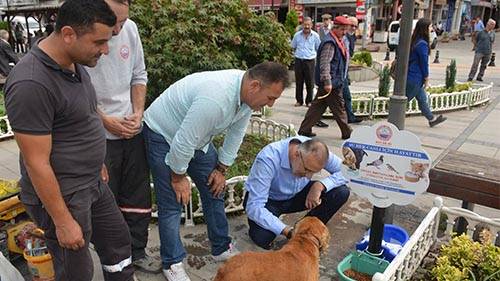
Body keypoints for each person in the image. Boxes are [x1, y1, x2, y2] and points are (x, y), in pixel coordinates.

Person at [4, 1, 135, 280]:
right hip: (64, 194)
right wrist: (62, 221)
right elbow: (36, 162)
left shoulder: (74, 63)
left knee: (117, 242)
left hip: (91, 183)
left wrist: (96, 160)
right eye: (99, 42)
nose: (106, 49)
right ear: (67, 34)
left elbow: (84, 115)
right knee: (76, 270)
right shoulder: (31, 83)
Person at [142, 62, 289, 281]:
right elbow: (183, 141)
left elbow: (236, 134)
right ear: (255, 86)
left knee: (215, 188)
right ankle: (171, 262)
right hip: (163, 133)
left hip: (196, 138)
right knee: (172, 202)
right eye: (271, 98)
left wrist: (221, 169)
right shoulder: (216, 99)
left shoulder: (246, 98)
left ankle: (221, 247)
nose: (270, 104)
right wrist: (178, 176)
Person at [85, 0, 161, 274]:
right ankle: (113, 263)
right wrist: (105, 120)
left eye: (123, 21)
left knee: (137, 196)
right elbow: (77, 88)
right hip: (99, 133)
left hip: (131, 129)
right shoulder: (85, 35)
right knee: (106, 199)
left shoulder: (130, 29)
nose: (118, 29)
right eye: (113, 21)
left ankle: (137, 251)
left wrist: (137, 112)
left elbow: (139, 75)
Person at [243, 137, 349, 249]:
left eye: (314, 172)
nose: (308, 176)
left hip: (296, 194)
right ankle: (297, 232)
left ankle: (307, 230)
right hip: (269, 200)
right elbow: (254, 206)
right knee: (262, 237)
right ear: (296, 154)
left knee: (341, 192)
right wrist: (287, 231)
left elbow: (348, 171)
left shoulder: (315, 150)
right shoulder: (268, 158)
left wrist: (320, 185)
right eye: (307, 169)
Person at [298, 16, 352, 139]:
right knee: (339, 108)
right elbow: (325, 63)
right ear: (335, 28)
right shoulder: (330, 42)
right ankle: (347, 132)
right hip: (331, 83)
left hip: (333, 81)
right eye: (343, 30)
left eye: (346, 30)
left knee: (317, 108)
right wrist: (327, 81)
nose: (344, 33)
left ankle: (304, 130)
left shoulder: (337, 40)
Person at [406, 18, 446, 128]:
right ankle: (393, 119)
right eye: (430, 27)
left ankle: (432, 119)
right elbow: (424, 62)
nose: (431, 29)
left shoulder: (415, 40)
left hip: (412, 76)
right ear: (424, 28)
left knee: (422, 99)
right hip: (415, 77)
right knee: (404, 100)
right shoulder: (422, 44)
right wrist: (426, 77)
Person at [291, 17, 321, 107]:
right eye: (305, 25)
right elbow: (293, 46)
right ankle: (299, 101)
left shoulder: (315, 36)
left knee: (310, 82)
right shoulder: (297, 35)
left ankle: (309, 101)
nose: (307, 26)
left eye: (308, 25)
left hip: (310, 61)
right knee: (299, 82)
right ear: (302, 25)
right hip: (299, 60)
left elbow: (318, 48)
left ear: (311, 25)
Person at [343, 17, 362, 124]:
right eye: (351, 25)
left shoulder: (351, 37)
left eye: (355, 26)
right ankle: (349, 118)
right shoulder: (344, 37)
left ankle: (348, 117)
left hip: (344, 72)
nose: (353, 28)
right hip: (339, 73)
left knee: (342, 97)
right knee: (346, 96)